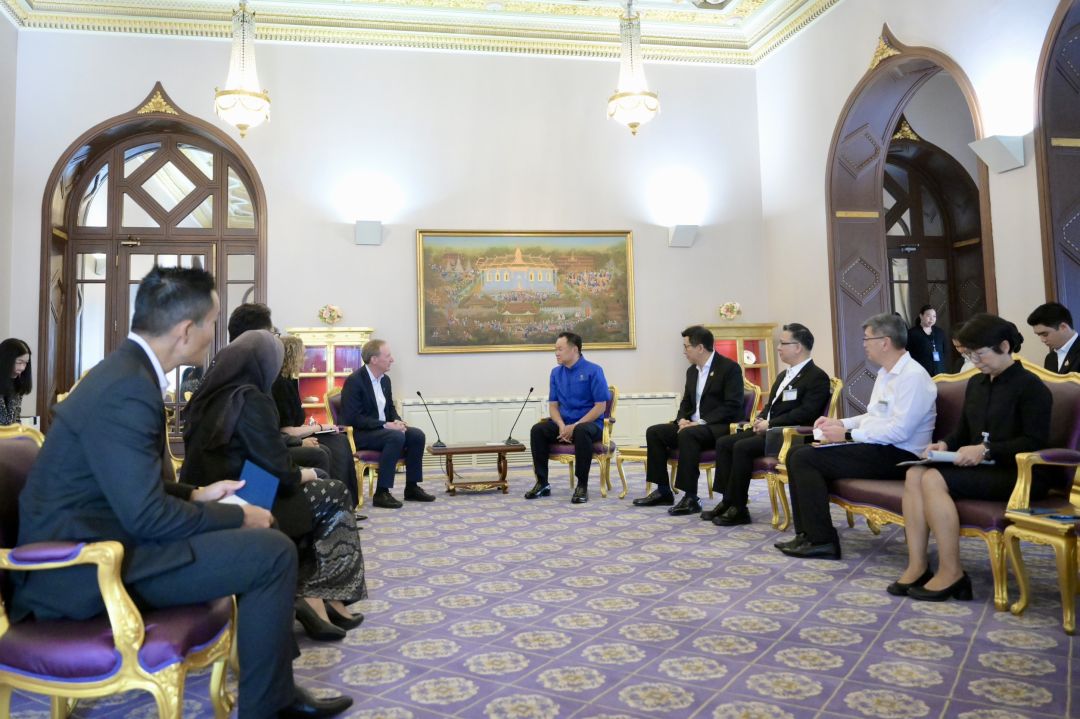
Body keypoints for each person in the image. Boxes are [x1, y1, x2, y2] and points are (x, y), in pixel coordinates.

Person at [10, 266, 351, 718]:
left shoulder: (125, 372)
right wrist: (238, 514)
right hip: (85, 569)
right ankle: (271, 706)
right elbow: (146, 515)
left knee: (264, 545)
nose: (215, 335)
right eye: (212, 322)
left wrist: (196, 495)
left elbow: (124, 482)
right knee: (270, 552)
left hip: (108, 538)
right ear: (186, 330)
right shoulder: (129, 388)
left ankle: (274, 697)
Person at [182, 330, 367, 642]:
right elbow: (278, 469)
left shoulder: (211, 394)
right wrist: (309, 474)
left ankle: (319, 597)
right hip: (246, 495)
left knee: (321, 490)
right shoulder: (252, 399)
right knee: (332, 492)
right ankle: (319, 596)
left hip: (212, 492)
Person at [892, 314, 1051, 601]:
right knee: (915, 473)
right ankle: (918, 565)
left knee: (932, 479)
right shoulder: (977, 384)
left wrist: (987, 450)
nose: (975, 361)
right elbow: (963, 431)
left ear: (1004, 346)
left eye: (980, 354)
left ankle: (951, 571)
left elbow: (1035, 441)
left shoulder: (1031, 386)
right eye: (969, 355)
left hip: (1017, 473)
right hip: (982, 467)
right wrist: (944, 444)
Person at [778, 312, 937, 560]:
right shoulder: (886, 373)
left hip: (902, 455)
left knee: (805, 458)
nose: (863, 344)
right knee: (796, 452)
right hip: (880, 447)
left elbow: (900, 431)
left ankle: (822, 541)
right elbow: (873, 415)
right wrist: (840, 422)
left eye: (867, 339)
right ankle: (806, 535)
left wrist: (848, 434)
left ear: (885, 342)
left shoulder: (913, 376)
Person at [700, 323, 832, 526]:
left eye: (783, 343)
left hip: (790, 435)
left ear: (798, 347)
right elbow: (771, 405)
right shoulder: (783, 375)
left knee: (742, 447)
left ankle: (739, 508)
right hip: (770, 430)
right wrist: (761, 418)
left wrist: (770, 423)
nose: (778, 348)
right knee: (724, 443)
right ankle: (728, 501)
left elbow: (806, 413)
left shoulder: (816, 377)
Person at [632, 326, 743, 514]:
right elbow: (686, 402)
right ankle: (663, 491)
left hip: (717, 427)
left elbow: (732, 405)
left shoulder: (729, 368)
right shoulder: (692, 371)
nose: (684, 351)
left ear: (700, 348)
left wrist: (700, 422)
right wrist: (682, 419)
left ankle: (691, 497)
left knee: (688, 435)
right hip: (692, 427)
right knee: (655, 432)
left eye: (686, 347)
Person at [341, 339, 434, 508]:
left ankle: (412, 487)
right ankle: (382, 492)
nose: (392, 359)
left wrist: (397, 420)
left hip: (382, 431)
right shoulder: (354, 381)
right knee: (395, 437)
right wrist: (385, 425)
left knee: (416, 435)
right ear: (374, 359)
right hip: (361, 434)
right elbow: (353, 418)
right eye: (388, 356)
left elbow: (389, 409)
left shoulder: (385, 380)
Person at [273, 334, 360, 506]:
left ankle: (347, 501)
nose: (305, 359)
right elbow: (286, 430)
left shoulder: (290, 381)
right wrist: (319, 427)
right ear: (291, 356)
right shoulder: (279, 385)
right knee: (333, 446)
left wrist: (320, 428)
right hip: (288, 438)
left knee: (340, 440)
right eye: (302, 354)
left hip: (296, 434)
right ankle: (336, 503)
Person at [525, 331, 611, 504]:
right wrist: (561, 424)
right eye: (555, 349)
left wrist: (576, 425)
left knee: (581, 430)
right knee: (538, 430)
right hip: (564, 424)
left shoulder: (594, 370)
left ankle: (582, 486)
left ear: (574, 350)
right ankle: (542, 483)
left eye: (560, 349)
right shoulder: (556, 373)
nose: (556, 353)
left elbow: (600, 406)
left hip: (590, 425)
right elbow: (553, 406)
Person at [1027, 301, 1080, 374]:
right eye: (1039, 335)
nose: (1042, 340)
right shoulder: (1050, 358)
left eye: (1045, 334)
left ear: (1063, 327)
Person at [906, 304, 947, 376]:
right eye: (928, 316)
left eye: (934, 316)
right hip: (921, 374)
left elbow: (944, 351)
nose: (931, 319)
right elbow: (908, 355)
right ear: (921, 316)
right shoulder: (912, 333)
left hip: (940, 373)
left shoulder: (939, 332)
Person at [0, 337, 31, 425]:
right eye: (19, 362)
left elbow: (16, 420)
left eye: (26, 363)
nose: (22, 368)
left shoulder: (17, 384)